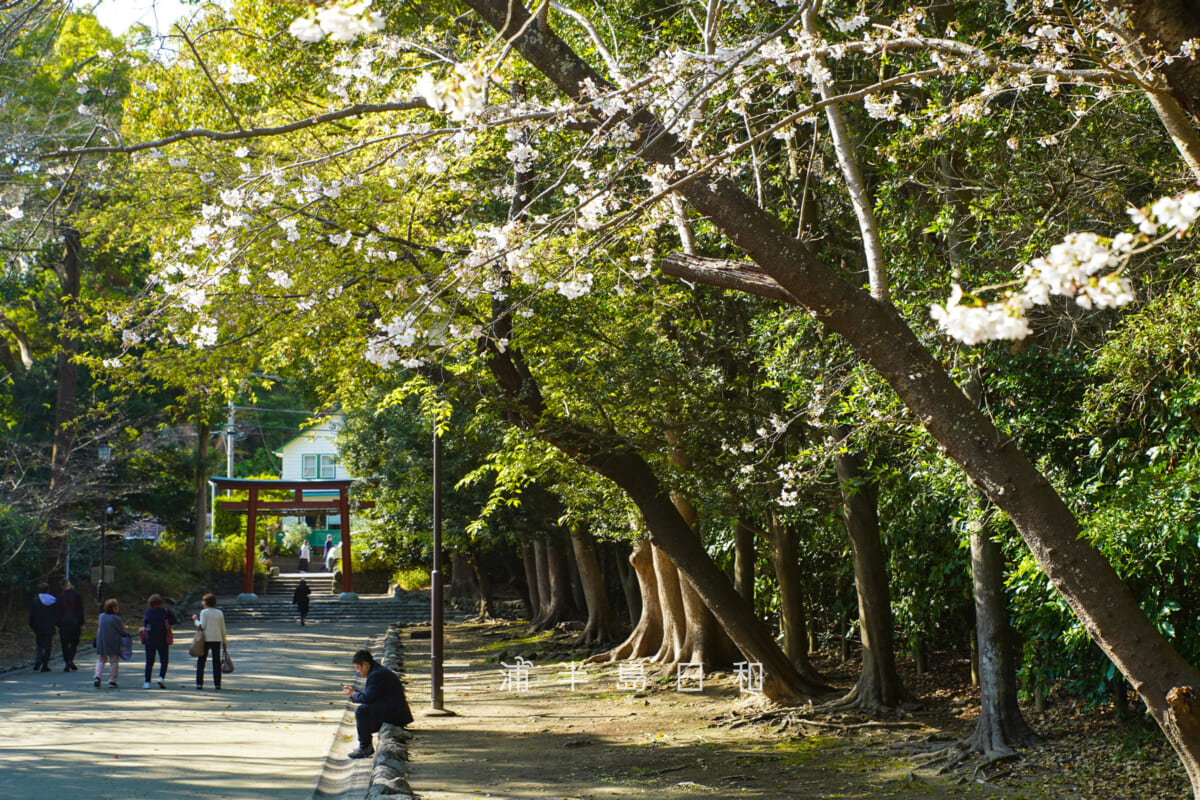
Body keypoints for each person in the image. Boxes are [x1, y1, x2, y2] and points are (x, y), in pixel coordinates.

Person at [341, 649, 413, 759]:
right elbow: (371, 696)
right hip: (392, 709)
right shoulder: (377, 671)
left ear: (365, 664)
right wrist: (355, 693)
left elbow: (368, 698)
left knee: (361, 711)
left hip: (395, 713)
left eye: (358, 668)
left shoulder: (376, 675)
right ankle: (365, 745)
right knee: (364, 710)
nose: (358, 672)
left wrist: (354, 694)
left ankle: (365, 746)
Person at [142, 594, 178, 689]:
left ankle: (147, 682)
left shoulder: (148, 612)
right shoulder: (166, 611)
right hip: (163, 638)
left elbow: (145, 623)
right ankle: (161, 677)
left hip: (150, 638)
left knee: (149, 661)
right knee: (164, 660)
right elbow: (174, 621)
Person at [191, 593, 226, 690]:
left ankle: (199, 683)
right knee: (216, 662)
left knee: (201, 661)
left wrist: (195, 620)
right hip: (217, 638)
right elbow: (223, 628)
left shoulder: (204, 612)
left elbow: (202, 626)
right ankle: (217, 683)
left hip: (205, 639)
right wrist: (224, 640)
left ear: (206, 602)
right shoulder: (219, 612)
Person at [94, 598, 129, 688]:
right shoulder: (116, 619)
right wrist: (126, 635)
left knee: (101, 660)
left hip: (101, 641)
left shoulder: (101, 616)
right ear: (114, 608)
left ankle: (97, 677)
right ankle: (112, 681)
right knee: (114, 661)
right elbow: (121, 631)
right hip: (113, 642)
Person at [28, 583, 57, 672]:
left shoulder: (36, 600)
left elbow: (32, 614)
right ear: (48, 590)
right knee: (48, 646)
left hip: (38, 626)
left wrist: (31, 624)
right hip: (49, 625)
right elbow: (56, 614)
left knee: (39, 644)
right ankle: (45, 664)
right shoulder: (53, 600)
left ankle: (38, 659)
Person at [57, 579, 84, 671]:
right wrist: (81, 622)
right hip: (75, 622)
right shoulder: (77, 596)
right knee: (73, 642)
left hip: (64, 623)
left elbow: (58, 612)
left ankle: (67, 661)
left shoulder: (60, 597)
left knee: (64, 643)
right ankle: (70, 659)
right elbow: (80, 610)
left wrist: (58, 623)